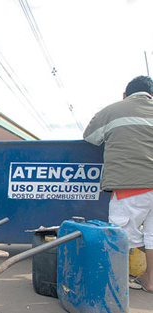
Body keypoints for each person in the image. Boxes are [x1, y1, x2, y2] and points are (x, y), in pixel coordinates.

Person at [83, 75, 153, 293]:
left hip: (133, 184)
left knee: (123, 234)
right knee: (152, 234)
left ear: (125, 95)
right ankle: (149, 280)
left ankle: (115, 286)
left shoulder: (113, 110)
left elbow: (90, 137)